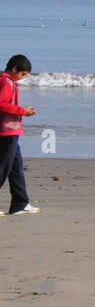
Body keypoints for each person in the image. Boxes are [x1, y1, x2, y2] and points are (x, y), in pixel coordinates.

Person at [0, 54, 39, 217]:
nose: (22, 78)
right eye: (22, 74)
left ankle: (20, 203)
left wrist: (22, 110)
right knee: (2, 168)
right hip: (6, 131)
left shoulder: (9, 81)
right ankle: (20, 203)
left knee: (16, 169)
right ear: (14, 69)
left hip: (12, 131)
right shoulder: (6, 82)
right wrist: (23, 111)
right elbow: (1, 104)